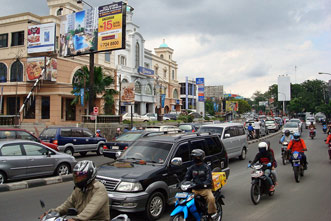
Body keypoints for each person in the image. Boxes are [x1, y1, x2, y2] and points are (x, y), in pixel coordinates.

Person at [40, 160, 110, 221]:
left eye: (81, 176)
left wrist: (76, 219)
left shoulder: (99, 189)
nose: (78, 179)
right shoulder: (78, 189)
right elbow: (68, 204)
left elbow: (91, 209)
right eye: (76, 177)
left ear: (90, 175)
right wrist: (52, 213)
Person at [183, 149, 218, 220]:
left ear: (202, 157)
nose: (196, 159)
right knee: (185, 200)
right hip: (194, 189)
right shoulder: (191, 168)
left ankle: (212, 213)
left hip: (205, 189)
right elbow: (186, 178)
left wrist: (203, 184)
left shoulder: (206, 167)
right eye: (194, 157)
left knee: (211, 198)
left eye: (197, 157)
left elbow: (209, 180)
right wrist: (182, 183)